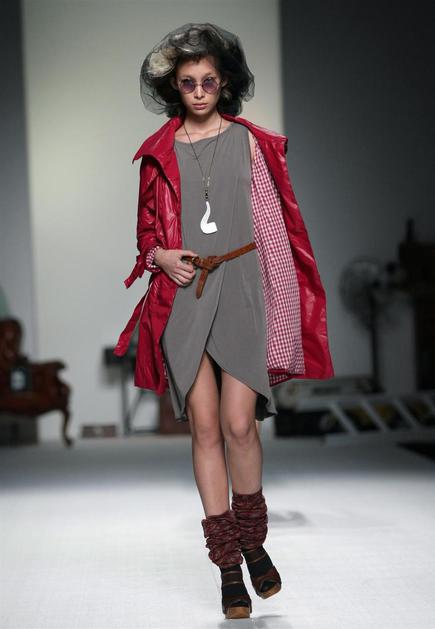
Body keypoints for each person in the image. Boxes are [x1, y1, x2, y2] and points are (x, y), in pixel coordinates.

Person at [114, 22, 334, 619]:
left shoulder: (250, 142)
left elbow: (275, 232)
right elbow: (146, 237)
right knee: (205, 428)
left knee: (241, 425)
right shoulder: (158, 153)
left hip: (241, 288)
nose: (199, 91)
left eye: (209, 81)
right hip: (185, 294)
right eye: (188, 82)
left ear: (225, 83)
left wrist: (281, 308)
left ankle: (254, 538)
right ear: (173, 86)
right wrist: (161, 257)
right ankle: (229, 567)